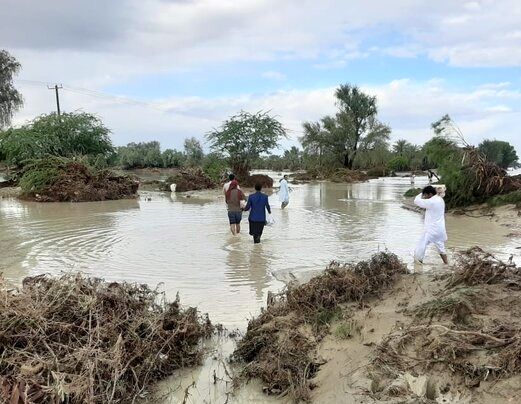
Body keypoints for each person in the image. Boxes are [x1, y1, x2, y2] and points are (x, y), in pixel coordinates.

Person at [414, 185, 448, 265]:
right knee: (441, 248)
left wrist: (420, 193)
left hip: (431, 230)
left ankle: (419, 265)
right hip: (440, 229)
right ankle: (447, 264)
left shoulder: (431, 201)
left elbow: (416, 201)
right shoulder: (440, 199)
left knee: (421, 246)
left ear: (429, 194)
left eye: (425, 195)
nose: (424, 197)